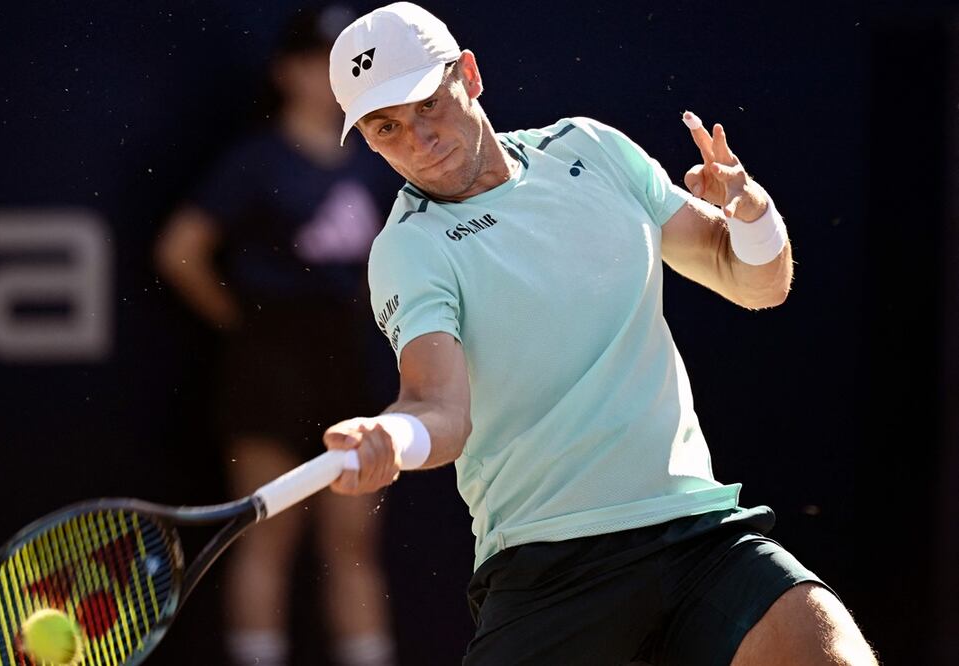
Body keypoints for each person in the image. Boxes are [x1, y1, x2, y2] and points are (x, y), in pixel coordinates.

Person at [318, 3, 879, 665]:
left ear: (468, 75)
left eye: (428, 106)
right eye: (387, 128)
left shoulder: (589, 148)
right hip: (547, 566)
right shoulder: (410, 250)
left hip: (693, 534)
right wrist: (394, 435)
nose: (419, 140)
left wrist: (751, 212)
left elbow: (755, 282)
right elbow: (437, 408)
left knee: (821, 642)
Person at [154, 6, 399, 666]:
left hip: (349, 358)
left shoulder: (376, 157)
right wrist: (247, 324)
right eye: (319, 63)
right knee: (267, 537)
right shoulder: (255, 159)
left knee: (353, 541)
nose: (333, 79)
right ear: (286, 73)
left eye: (346, 65)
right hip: (269, 363)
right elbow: (180, 250)